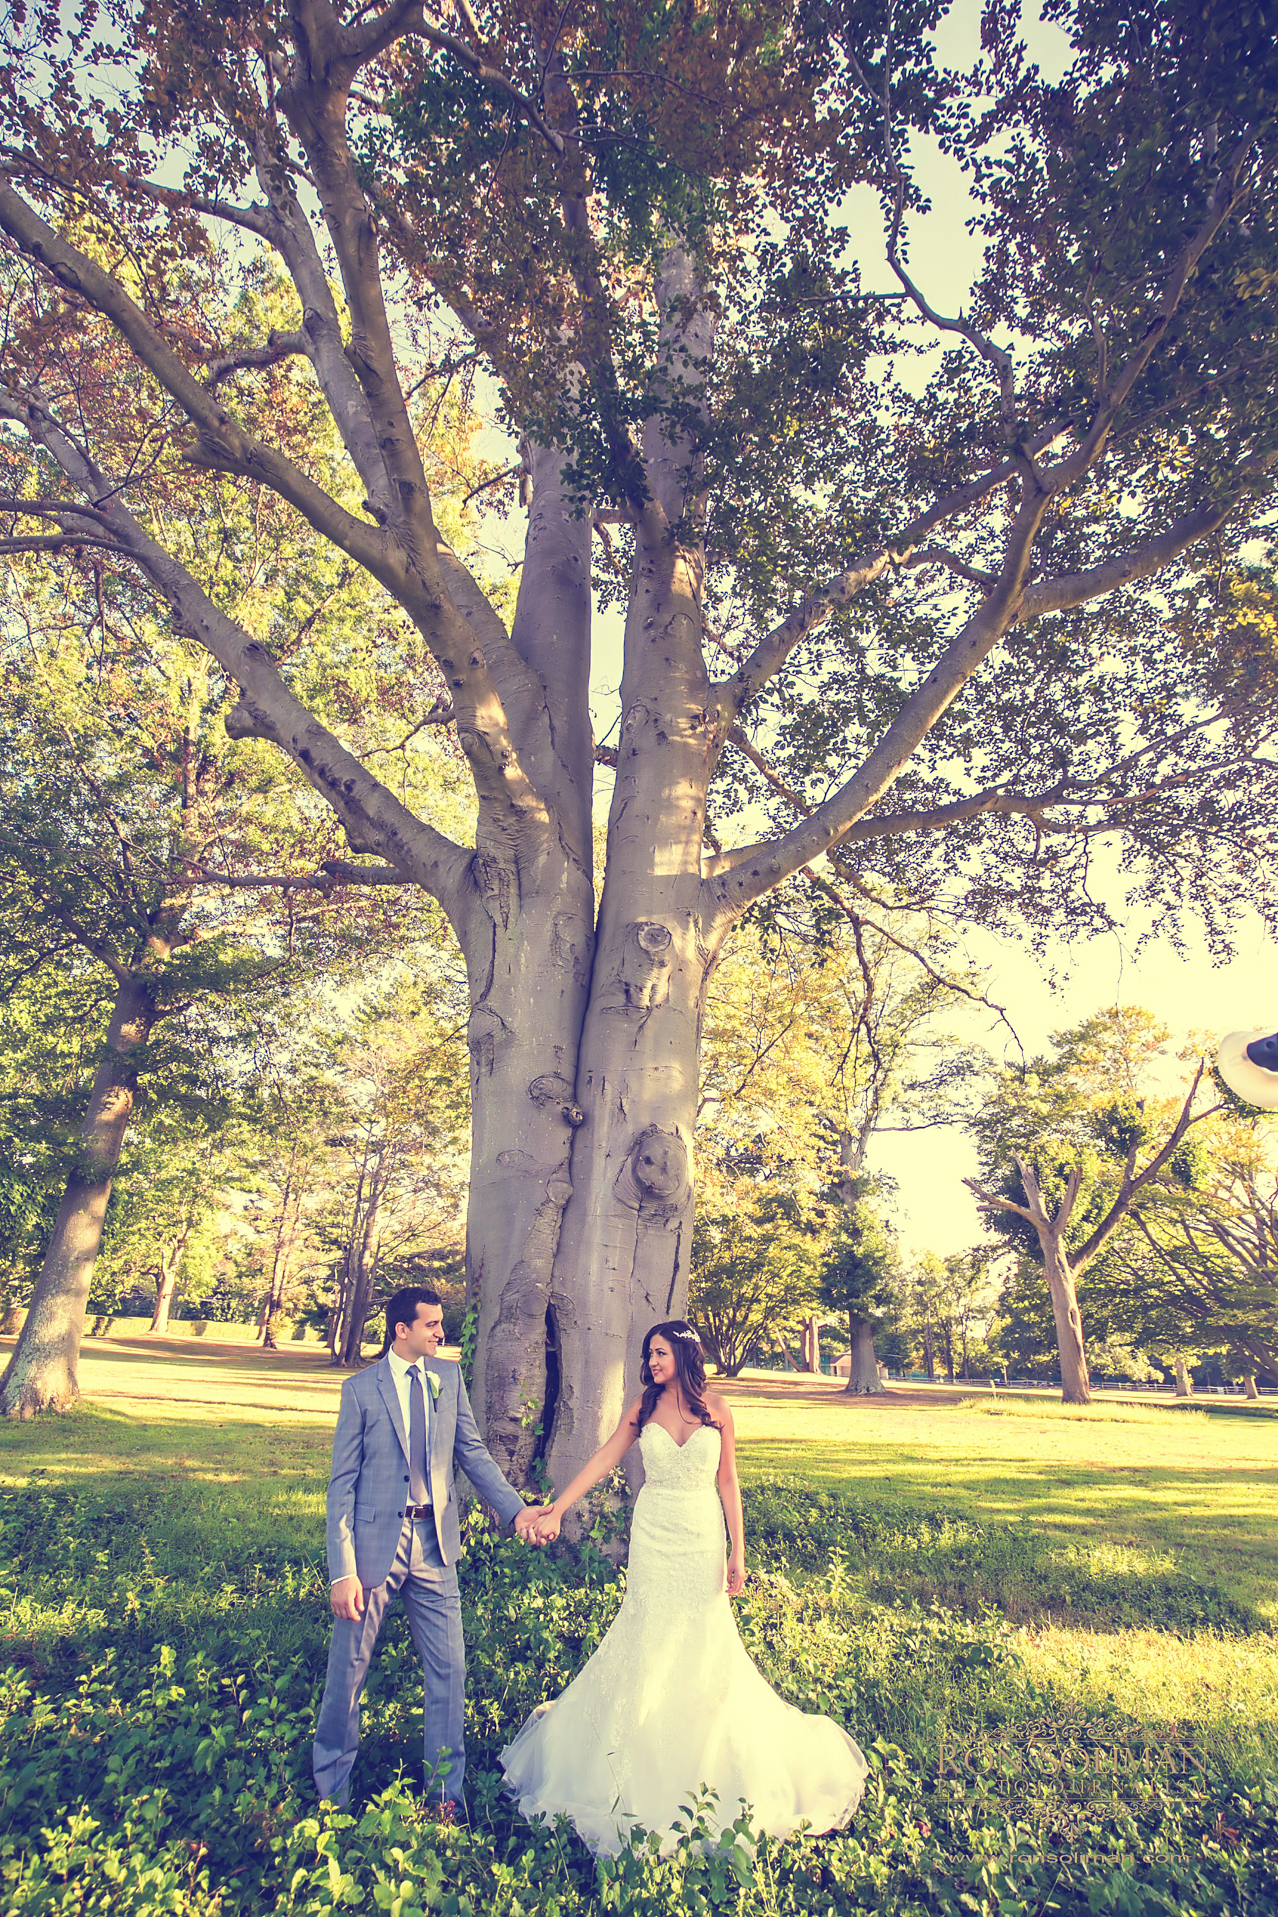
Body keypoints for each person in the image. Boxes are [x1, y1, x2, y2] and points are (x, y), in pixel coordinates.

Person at [499, 1320, 868, 1855]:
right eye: (648, 1353)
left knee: (704, 1640)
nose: (652, 1362)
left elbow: (728, 1481)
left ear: (686, 1355)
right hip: (653, 1537)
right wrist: (558, 1506)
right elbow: (604, 1459)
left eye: (661, 1353)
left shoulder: (717, 1409)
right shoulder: (643, 1407)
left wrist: (738, 1551)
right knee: (646, 1630)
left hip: (700, 1538)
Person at [313, 1285, 544, 1813]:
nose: (442, 1333)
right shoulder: (360, 1390)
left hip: (436, 1546)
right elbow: (341, 1484)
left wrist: (515, 1510)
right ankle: (332, 1793)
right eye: (433, 1325)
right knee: (348, 1668)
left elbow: (473, 1453)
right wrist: (341, 1571)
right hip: (373, 1550)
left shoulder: (447, 1379)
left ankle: (444, 1796)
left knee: (449, 1670)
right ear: (402, 1331)